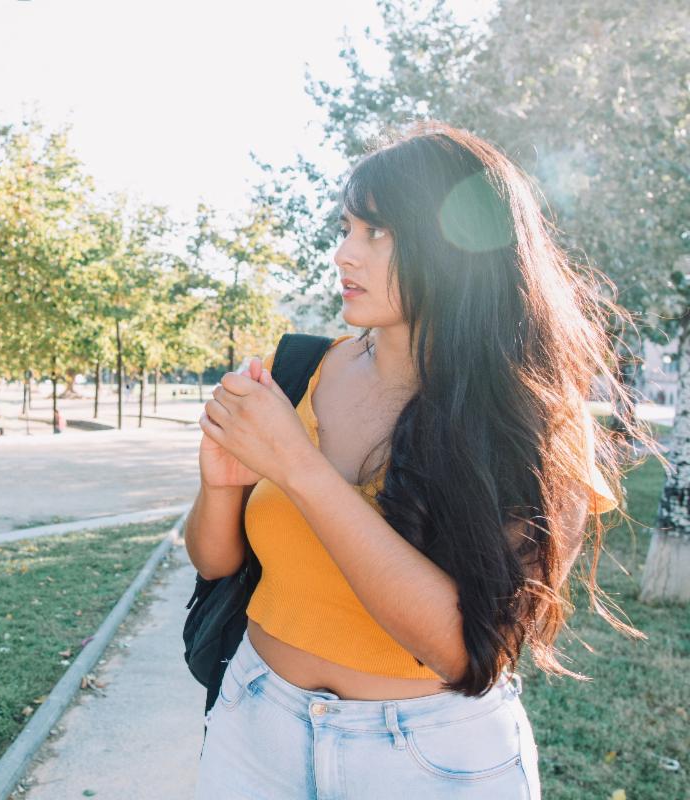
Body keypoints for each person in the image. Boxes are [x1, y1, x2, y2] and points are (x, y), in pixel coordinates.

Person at [186, 123, 640, 798]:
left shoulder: (540, 420)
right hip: (255, 727)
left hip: (433, 759)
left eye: (378, 232)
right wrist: (222, 487)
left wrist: (299, 468)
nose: (343, 253)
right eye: (345, 228)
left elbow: (463, 650)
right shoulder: (305, 369)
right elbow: (214, 562)